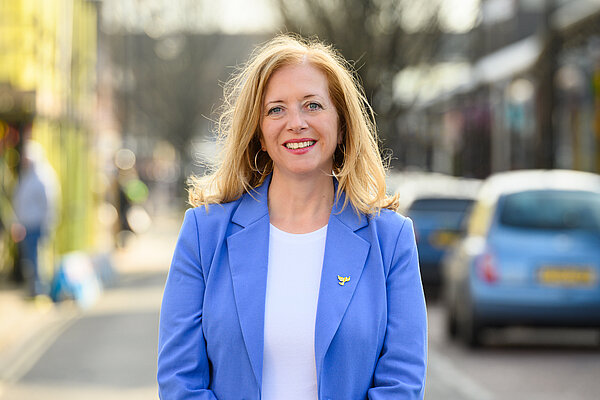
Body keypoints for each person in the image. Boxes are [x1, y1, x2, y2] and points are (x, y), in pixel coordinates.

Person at [158, 34, 427, 400]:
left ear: (342, 123)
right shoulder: (204, 233)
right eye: (276, 109)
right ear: (260, 134)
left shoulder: (391, 240)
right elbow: (179, 383)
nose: (296, 122)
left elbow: (402, 384)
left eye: (313, 105)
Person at [12, 140, 60, 297]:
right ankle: (34, 290)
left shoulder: (43, 177)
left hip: (37, 225)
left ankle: (40, 291)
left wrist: (48, 224)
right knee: (30, 261)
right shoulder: (27, 176)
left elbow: (49, 204)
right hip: (26, 225)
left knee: (37, 260)